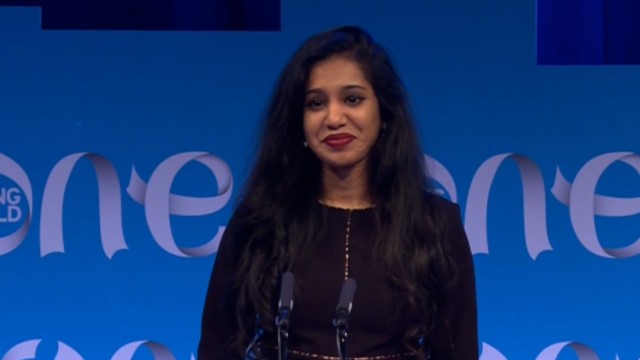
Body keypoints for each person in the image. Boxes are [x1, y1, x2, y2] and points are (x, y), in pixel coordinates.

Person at [197, 25, 478, 360]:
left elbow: (457, 351)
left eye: (352, 99)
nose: (333, 118)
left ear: (384, 112)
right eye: (316, 103)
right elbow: (217, 348)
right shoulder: (260, 221)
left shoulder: (435, 225)